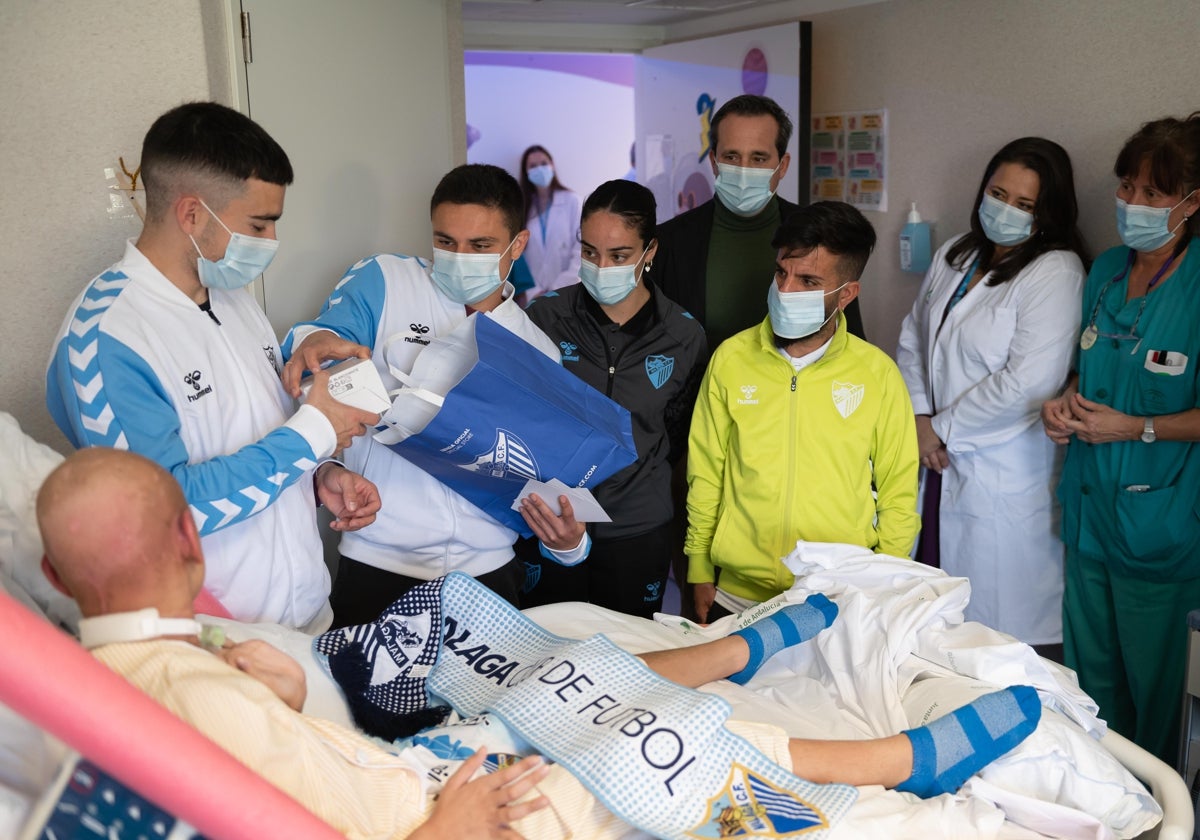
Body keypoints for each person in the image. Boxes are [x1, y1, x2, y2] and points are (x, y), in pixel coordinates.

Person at [37, 447, 1044, 839]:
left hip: (398, 737)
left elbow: (253, 779)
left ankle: (738, 650)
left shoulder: (132, 671)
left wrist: (291, 703)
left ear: (53, 581)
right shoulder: (169, 695)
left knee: (544, 668)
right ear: (189, 537)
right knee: (639, 747)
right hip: (439, 813)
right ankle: (884, 765)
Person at [44, 102, 381, 632]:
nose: (271, 243)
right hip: (213, 642)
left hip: (308, 617)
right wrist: (315, 432)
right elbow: (169, 514)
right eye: (259, 224)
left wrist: (321, 475)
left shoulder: (233, 297)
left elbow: (256, 434)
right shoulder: (106, 337)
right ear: (193, 213)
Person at [281, 164, 585, 625]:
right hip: (378, 564)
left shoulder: (538, 350)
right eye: (445, 242)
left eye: (480, 246)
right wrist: (313, 342)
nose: (459, 258)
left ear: (516, 246)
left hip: (488, 577)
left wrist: (567, 543)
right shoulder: (384, 279)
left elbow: (544, 477)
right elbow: (324, 339)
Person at [1041, 113, 1200, 764]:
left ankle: (1158, 820)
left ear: (1192, 202)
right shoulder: (1105, 270)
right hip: (1088, 518)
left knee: (1156, 698)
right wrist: (1061, 405)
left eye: (1153, 195)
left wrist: (1136, 427)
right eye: (1127, 187)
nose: (1132, 204)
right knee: (1090, 688)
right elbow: (1091, 366)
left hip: (1160, 531)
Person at [896, 138, 1088, 656]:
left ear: (1047, 212)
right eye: (997, 193)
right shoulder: (956, 251)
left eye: (1024, 204)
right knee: (932, 621)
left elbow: (1029, 381)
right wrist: (917, 416)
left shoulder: (1056, 272)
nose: (1004, 210)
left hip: (1002, 473)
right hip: (933, 460)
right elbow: (914, 336)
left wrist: (941, 428)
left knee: (998, 643)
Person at [687, 201, 920, 623]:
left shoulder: (878, 376)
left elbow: (898, 494)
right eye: (782, 273)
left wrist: (884, 583)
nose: (786, 290)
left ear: (846, 294)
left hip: (838, 598)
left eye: (809, 280)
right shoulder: (731, 360)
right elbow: (706, 473)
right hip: (738, 594)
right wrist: (700, 567)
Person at [521, 180, 707, 617]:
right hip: (551, 519)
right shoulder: (544, 318)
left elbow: (677, 439)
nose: (601, 266)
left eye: (619, 255)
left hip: (637, 529)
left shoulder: (683, 335)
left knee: (631, 657)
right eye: (590, 252)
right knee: (546, 651)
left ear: (650, 251)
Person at [648, 94, 864, 349]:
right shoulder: (669, 243)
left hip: (798, 387)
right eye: (731, 156)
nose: (743, 169)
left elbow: (849, 342)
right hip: (702, 387)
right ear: (714, 162)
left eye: (758, 158)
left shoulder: (822, 236)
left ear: (782, 166)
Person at [517, 145, 581, 303]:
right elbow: (519, 255)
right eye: (533, 166)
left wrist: (556, 289)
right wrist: (535, 292)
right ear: (526, 172)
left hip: (568, 292)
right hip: (533, 296)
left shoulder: (572, 201)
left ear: (552, 165)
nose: (540, 169)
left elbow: (582, 249)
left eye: (544, 163)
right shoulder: (522, 207)